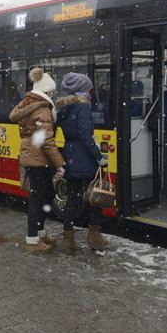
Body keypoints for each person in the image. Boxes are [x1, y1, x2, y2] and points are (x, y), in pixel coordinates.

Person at [9, 67, 66, 252]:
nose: (54, 93)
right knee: (37, 200)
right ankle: (33, 240)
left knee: (45, 195)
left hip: (34, 158)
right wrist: (60, 164)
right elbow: (47, 141)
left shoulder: (28, 104)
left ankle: (40, 234)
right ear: (47, 91)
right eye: (52, 90)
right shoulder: (42, 109)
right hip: (37, 160)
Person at [55, 72, 109, 253]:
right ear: (81, 89)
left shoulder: (63, 107)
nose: (90, 91)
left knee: (72, 198)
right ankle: (94, 237)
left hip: (70, 153)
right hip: (84, 156)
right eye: (88, 88)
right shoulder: (83, 107)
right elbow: (86, 136)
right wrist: (99, 157)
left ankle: (67, 241)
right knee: (95, 196)